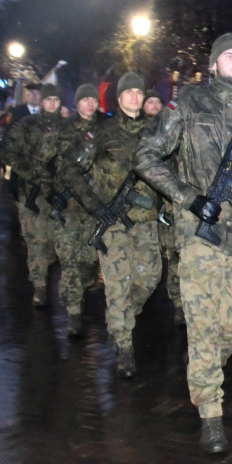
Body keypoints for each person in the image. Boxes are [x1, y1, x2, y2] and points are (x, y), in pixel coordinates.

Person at [135, 33, 232, 454]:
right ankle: (211, 412)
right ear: (214, 64)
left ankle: (202, 371)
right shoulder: (188, 103)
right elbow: (146, 156)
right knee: (203, 324)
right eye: (230, 56)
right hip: (200, 236)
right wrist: (188, 197)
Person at [58, 73, 162, 377]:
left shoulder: (156, 132)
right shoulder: (102, 134)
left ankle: (121, 319)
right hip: (113, 222)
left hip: (146, 221)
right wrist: (94, 204)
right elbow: (71, 170)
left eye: (138, 92)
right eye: (127, 92)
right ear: (118, 99)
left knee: (149, 278)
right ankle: (124, 345)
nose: (133, 97)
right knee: (117, 284)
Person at [46, 84, 104, 337]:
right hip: (69, 207)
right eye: (85, 100)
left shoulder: (105, 130)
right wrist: (51, 194)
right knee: (69, 260)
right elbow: (45, 163)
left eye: (94, 99)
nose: (90, 104)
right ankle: (73, 312)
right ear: (76, 103)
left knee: (89, 263)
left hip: (94, 207)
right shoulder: (61, 130)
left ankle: (79, 293)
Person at [0, 84, 64, 307]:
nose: (53, 104)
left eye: (57, 100)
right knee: (36, 241)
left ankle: (45, 274)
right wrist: (28, 173)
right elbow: (7, 152)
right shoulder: (26, 125)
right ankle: (39, 286)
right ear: (42, 102)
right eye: (49, 100)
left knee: (53, 242)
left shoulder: (67, 128)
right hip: (31, 194)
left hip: (58, 195)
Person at [143, 88, 183, 325]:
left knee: (176, 254)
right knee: (150, 260)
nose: (155, 106)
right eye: (150, 102)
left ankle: (178, 303)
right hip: (147, 205)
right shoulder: (140, 132)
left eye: (158, 102)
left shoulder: (173, 130)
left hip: (172, 203)